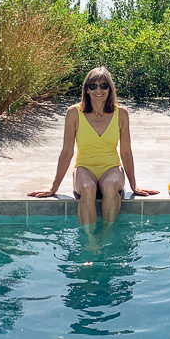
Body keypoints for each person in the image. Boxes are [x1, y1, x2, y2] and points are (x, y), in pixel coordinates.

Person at [29, 67, 157, 228]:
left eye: (104, 85)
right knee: (88, 188)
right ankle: (91, 242)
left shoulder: (121, 113)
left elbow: (126, 152)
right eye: (93, 86)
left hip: (111, 168)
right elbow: (67, 152)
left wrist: (134, 185)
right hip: (84, 168)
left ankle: (107, 234)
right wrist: (53, 187)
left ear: (110, 89)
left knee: (110, 187)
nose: (98, 90)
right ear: (86, 90)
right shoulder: (74, 113)